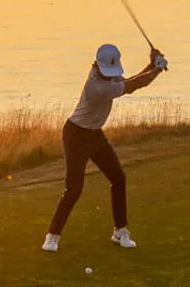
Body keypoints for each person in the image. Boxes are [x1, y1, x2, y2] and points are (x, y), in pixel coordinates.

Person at [42, 42, 167, 252]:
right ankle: (52, 236)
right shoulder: (96, 87)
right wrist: (157, 69)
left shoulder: (107, 77)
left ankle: (120, 230)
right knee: (74, 188)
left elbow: (130, 82)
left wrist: (151, 65)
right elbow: (134, 86)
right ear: (98, 66)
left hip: (95, 136)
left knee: (118, 178)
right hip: (75, 136)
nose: (111, 74)